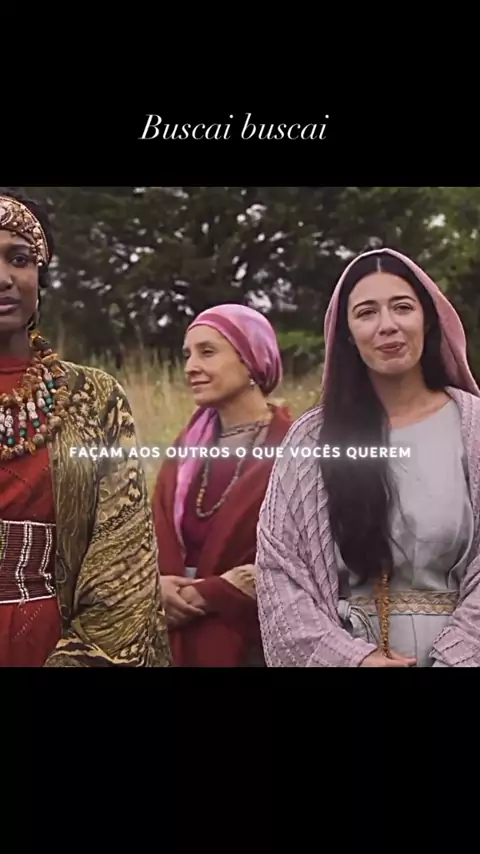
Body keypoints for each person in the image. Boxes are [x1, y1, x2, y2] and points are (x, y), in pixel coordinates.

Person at [256, 247, 480, 667]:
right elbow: (279, 571)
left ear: (428, 319)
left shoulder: (474, 427)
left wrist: (458, 657)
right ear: (346, 334)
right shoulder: (311, 439)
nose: (387, 325)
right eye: (366, 313)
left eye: (402, 307)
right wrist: (352, 659)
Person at [0, 187, 171, 666]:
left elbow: (123, 557)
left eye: (19, 259)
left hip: (53, 642)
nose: (3, 278)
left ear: (41, 276)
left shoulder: (93, 398)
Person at [152, 303, 292, 666]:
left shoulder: (294, 446)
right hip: (175, 639)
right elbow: (150, 539)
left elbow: (307, 558)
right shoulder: (186, 450)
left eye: (207, 352)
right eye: (187, 354)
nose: (190, 367)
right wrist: (156, 588)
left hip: (256, 646)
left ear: (251, 359)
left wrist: (213, 593)